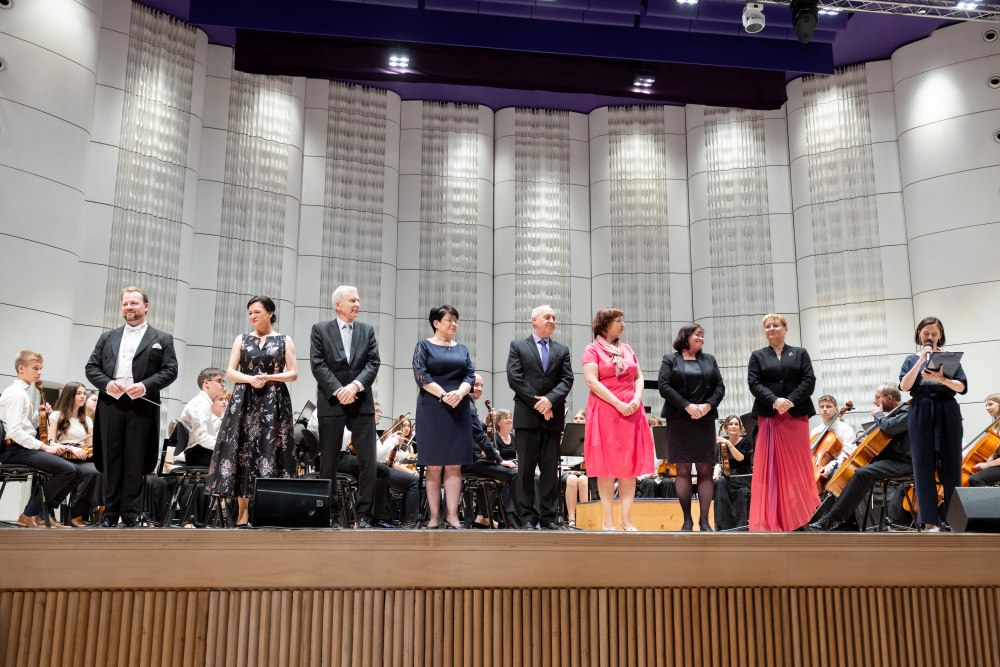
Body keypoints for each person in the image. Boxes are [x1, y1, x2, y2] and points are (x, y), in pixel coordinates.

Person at [85, 286, 178, 528]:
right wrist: (107, 384)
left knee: (135, 461)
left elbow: (170, 370)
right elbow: (91, 368)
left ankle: (130, 515)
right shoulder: (107, 337)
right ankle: (109, 514)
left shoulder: (162, 339)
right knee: (111, 459)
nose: (129, 307)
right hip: (111, 404)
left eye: (134, 303)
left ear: (145, 307)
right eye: (125, 303)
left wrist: (145, 386)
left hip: (142, 405)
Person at [206, 296, 297, 526]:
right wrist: (250, 379)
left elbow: (293, 373)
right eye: (250, 313)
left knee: (271, 449)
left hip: (273, 400)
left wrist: (269, 377)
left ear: (270, 313)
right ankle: (242, 513)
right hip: (244, 399)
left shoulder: (284, 340)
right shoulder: (242, 339)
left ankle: (269, 510)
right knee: (243, 450)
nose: (252, 316)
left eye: (257, 312)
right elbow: (230, 372)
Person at [310, 286, 381, 528]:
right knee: (328, 461)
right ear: (338, 304)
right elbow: (318, 364)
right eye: (352, 300)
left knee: (368, 461)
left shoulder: (367, 330)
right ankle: (331, 514)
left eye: (358, 300)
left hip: (361, 401)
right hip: (332, 400)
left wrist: (355, 387)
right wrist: (339, 390)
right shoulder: (320, 330)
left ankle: (364, 516)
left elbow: (373, 363)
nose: (357, 304)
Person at [582, 307, 655, 531]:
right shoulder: (592, 349)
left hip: (631, 409)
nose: (623, 324)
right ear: (605, 325)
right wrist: (618, 403)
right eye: (618, 321)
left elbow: (639, 377)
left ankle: (626, 520)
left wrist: (637, 398)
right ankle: (609, 521)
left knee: (629, 466)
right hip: (606, 410)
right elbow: (592, 381)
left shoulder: (627, 349)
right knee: (606, 467)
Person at [746, 313, 820, 532]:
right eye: (767, 326)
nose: (771, 328)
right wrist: (774, 401)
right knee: (772, 469)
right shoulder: (757, 356)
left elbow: (809, 380)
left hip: (796, 415)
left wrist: (790, 401)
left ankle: (800, 518)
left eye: (775, 325)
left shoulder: (800, 353)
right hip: (770, 415)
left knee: (798, 469)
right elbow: (754, 383)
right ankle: (773, 519)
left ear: (785, 329)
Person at [506, 305, 575, 530]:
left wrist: (550, 400)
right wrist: (540, 403)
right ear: (534, 320)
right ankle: (527, 518)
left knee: (550, 471)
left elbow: (567, 379)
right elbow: (515, 378)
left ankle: (548, 518)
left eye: (554, 317)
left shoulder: (562, 349)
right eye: (547, 317)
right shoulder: (518, 346)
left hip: (552, 418)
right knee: (525, 470)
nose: (552, 320)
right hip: (527, 418)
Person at [811, 383, 912, 531]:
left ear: (889, 398)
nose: (874, 402)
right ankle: (847, 521)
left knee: (862, 473)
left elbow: (890, 428)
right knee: (852, 470)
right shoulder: (892, 415)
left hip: (906, 463)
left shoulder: (907, 411)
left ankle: (831, 518)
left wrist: (877, 414)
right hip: (892, 461)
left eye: (877, 397)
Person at [0, 351, 84, 527]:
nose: (39, 372)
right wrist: (44, 447)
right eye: (35, 368)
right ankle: (29, 514)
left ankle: (43, 513)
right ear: (21, 368)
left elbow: (26, 426)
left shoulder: (23, 392)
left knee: (77, 472)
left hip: (22, 447)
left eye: (40, 368)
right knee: (67, 470)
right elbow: (14, 431)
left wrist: (39, 415)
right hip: (14, 449)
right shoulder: (16, 393)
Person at [899, 316, 967, 531]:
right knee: (923, 465)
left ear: (940, 336)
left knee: (952, 464)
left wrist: (942, 380)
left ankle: (955, 519)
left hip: (947, 409)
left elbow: (962, 387)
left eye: (934, 334)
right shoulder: (911, 359)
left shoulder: (949, 358)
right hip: (921, 410)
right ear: (919, 335)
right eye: (926, 333)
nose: (930, 337)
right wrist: (920, 360)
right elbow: (904, 386)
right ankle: (930, 522)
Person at [413, 304, 476, 529]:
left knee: (454, 465)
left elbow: (470, 374)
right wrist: (443, 394)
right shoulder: (424, 346)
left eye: (456, 320)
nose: (454, 324)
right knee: (433, 466)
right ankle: (433, 516)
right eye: (449, 320)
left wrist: (459, 393)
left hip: (458, 408)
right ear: (436, 323)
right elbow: (421, 375)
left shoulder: (462, 349)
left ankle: (453, 516)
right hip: (432, 409)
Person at [658, 323, 726, 531]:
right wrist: (687, 406)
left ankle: (704, 521)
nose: (701, 338)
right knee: (683, 469)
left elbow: (720, 387)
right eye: (697, 334)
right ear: (685, 336)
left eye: (703, 335)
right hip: (679, 418)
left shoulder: (709, 359)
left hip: (705, 418)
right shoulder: (670, 359)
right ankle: (687, 521)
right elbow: (664, 386)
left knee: (705, 469)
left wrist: (707, 406)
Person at [465, 375, 519, 528]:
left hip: (470, 459)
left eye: (482, 386)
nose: (480, 389)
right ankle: (515, 522)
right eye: (476, 385)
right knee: (514, 474)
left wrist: (486, 422)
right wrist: (499, 460)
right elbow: (480, 437)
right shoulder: (467, 406)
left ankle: (484, 518)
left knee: (494, 478)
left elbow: (474, 433)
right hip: (469, 460)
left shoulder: (468, 404)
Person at [47, 382, 103, 526]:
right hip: (64, 455)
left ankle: (90, 516)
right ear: (69, 395)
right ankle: (74, 517)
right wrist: (70, 448)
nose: (82, 396)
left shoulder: (87, 420)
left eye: (84, 393)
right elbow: (50, 443)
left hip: (82, 456)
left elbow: (89, 446)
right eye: (78, 393)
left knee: (99, 471)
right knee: (86, 472)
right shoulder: (56, 415)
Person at [373, 404, 419, 526]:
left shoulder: (407, 445)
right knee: (415, 482)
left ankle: (405, 519)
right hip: (383, 469)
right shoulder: (387, 436)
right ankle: (411, 520)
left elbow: (408, 461)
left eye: (409, 426)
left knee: (419, 482)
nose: (407, 428)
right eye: (404, 426)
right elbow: (388, 460)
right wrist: (392, 440)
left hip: (386, 469)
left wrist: (413, 470)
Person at [176, 368, 227, 467]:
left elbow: (206, 433)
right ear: (206, 383)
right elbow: (202, 438)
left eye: (223, 381)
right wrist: (225, 447)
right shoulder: (200, 403)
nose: (223, 384)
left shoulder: (204, 402)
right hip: (198, 454)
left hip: (200, 452)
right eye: (219, 381)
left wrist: (220, 421)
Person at [712, 415, 754, 530]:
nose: (734, 426)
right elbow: (720, 464)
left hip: (743, 477)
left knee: (722, 483)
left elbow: (740, 458)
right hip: (729, 477)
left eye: (736, 424)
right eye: (731, 424)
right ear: (726, 428)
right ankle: (722, 522)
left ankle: (723, 525)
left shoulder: (745, 442)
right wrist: (715, 475)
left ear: (740, 428)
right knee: (716, 482)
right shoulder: (723, 444)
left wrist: (728, 444)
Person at [811, 395, 857, 482]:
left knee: (834, 474)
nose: (825, 409)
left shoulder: (846, 429)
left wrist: (830, 467)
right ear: (819, 410)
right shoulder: (815, 431)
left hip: (840, 466)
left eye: (828, 406)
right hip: (818, 466)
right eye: (822, 407)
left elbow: (846, 453)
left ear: (836, 409)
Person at [561, 409, 588, 527]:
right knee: (572, 479)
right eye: (576, 418)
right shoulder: (566, 437)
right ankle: (571, 520)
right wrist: (571, 470)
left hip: (585, 474)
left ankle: (584, 520)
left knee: (583, 479)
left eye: (581, 418)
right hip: (567, 473)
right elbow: (561, 461)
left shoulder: (591, 438)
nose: (578, 420)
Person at [969, 394, 1000, 486]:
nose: (987, 408)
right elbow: (992, 452)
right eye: (986, 405)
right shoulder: (995, 426)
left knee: (975, 479)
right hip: (997, 463)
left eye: (990, 404)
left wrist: (987, 465)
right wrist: (986, 463)